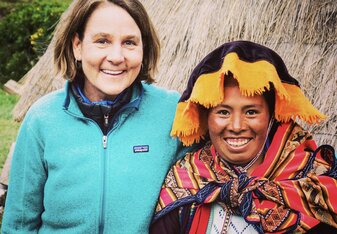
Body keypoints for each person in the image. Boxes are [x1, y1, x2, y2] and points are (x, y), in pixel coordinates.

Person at [2, 0, 184, 233]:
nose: (116, 56)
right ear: (77, 46)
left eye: (129, 42)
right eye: (102, 41)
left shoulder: (172, 112)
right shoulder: (42, 119)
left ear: (143, 48)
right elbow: (19, 225)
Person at [150, 41, 337, 233]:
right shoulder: (186, 179)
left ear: (271, 117)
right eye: (223, 112)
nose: (236, 126)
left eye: (251, 112)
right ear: (207, 117)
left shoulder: (311, 180)